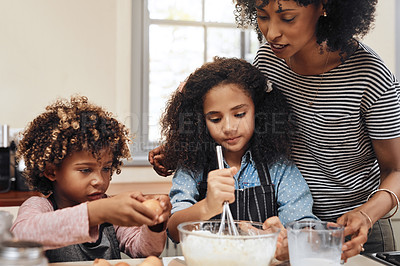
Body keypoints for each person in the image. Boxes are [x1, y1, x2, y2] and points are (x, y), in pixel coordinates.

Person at [150, 0, 400, 261]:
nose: (271, 33)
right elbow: (240, 108)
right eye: (262, 16)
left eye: (287, 18)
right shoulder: (270, 57)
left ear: (325, 6)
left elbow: (397, 170)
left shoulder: (371, 75)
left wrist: (365, 214)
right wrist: (184, 144)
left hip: (353, 227)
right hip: (289, 231)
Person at [159, 57, 318, 260]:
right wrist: (207, 206)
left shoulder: (278, 167)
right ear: (199, 121)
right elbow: (174, 230)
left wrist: (287, 240)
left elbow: (305, 226)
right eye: (215, 119)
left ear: (258, 112)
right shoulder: (193, 167)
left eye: (240, 114)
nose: (228, 127)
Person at [11, 95, 171, 263]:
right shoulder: (40, 206)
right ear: (51, 172)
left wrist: (155, 224)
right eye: (86, 170)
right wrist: (97, 212)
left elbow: (143, 251)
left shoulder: (110, 212)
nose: (99, 180)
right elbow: (22, 235)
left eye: (106, 168)